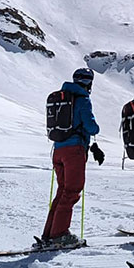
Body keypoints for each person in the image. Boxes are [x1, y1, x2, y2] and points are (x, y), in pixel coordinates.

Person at [36, 68, 105, 250]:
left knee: (62, 191)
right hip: (74, 150)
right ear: (89, 83)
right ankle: (59, 235)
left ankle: (49, 233)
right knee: (72, 191)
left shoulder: (62, 97)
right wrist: (96, 129)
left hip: (58, 149)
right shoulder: (82, 99)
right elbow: (90, 126)